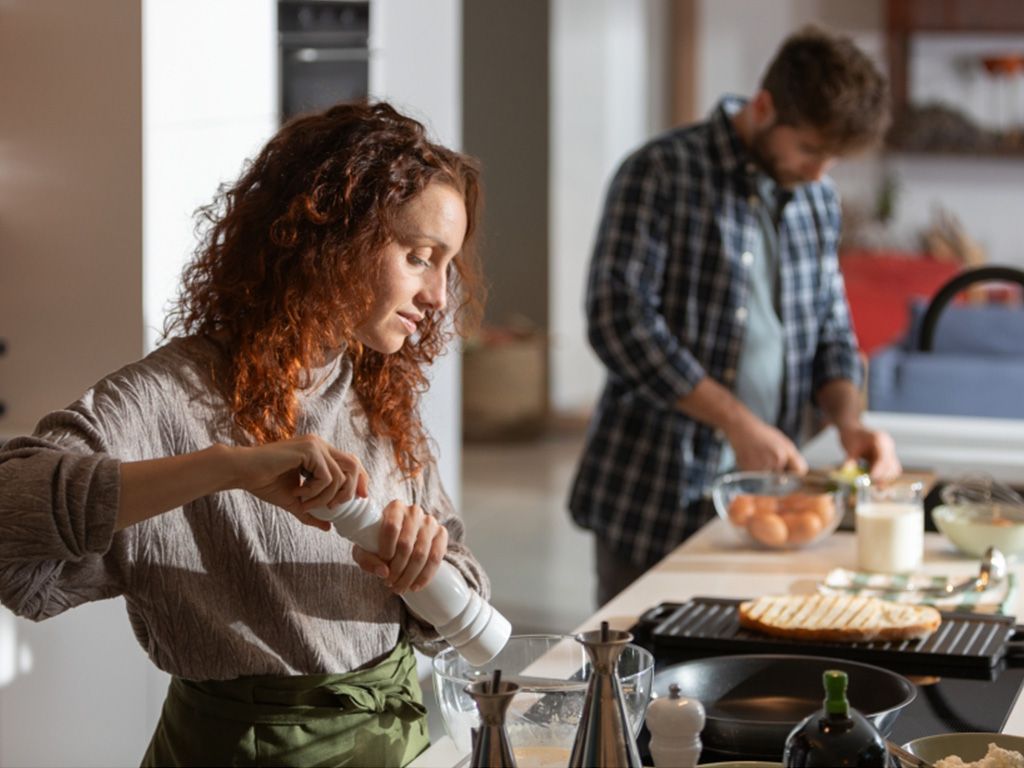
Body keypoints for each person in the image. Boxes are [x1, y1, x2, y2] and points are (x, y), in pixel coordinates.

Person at [0, 101, 489, 767]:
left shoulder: (375, 389)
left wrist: (426, 567)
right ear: (333, 238)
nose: (437, 295)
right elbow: (10, 506)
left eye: (445, 265)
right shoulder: (170, 397)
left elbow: (458, 580)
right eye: (419, 256)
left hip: (394, 743)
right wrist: (227, 468)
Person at [569, 26, 904, 607]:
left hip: (775, 503)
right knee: (636, 675)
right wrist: (737, 423)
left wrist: (849, 421)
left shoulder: (816, 199)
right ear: (765, 105)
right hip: (655, 498)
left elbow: (832, 328)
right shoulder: (660, 172)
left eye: (831, 159)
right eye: (809, 150)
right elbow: (616, 318)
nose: (821, 173)